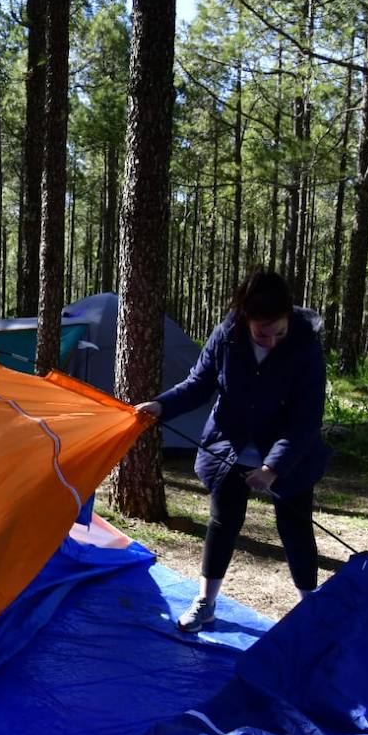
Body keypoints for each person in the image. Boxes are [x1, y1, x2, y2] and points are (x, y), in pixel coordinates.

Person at [135, 270, 329, 633]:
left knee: (296, 527)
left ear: (289, 317)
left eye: (279, 332)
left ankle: (311, 612)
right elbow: (198, 384)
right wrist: (160, 406)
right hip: (230, 444)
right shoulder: (227, 335)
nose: (271, 341)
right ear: (245, 318)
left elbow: (306, 419)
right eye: (262, 333)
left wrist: (273, 467)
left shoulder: (305, 345)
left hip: (289, 453)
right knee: (223, 523)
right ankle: (206, 603)